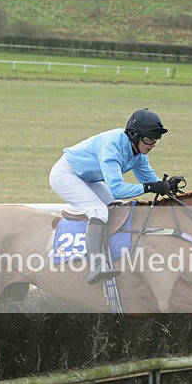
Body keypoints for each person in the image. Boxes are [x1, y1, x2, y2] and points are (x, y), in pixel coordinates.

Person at [49, 108, 172, 285]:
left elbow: (150, 180)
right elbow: (117, 189)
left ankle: (115, 256)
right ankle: (95, 264)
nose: (152, 144)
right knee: (98, 211)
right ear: (134, 136)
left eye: (155, 141)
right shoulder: (113, 146)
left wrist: (166, 185)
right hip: (66, 175)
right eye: (148, 139)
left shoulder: (138, 153)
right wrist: (150, 187)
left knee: (118, 209)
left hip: (87, 178)